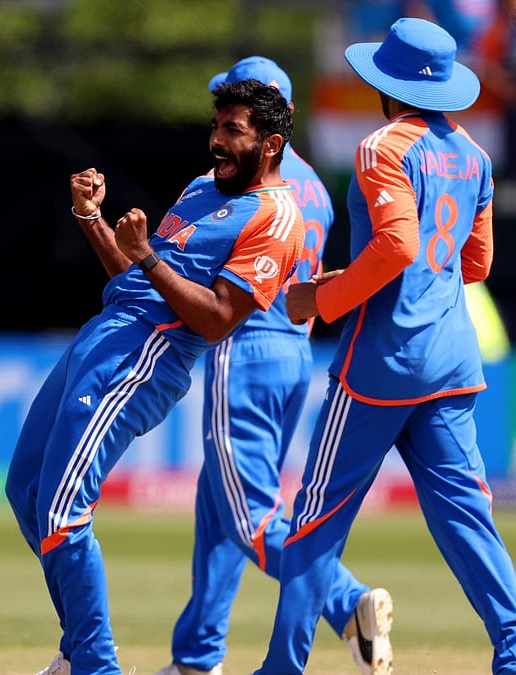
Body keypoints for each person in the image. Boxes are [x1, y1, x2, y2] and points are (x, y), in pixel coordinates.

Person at [260, 18, 516, 675]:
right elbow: (474, 264)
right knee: (467, 518)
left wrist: (324, 299)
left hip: (382, 363)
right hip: (452, 359)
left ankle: (281, 667)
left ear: (386, 85)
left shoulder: (380, 149)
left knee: (315, 522)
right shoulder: (475, 157)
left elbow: (397, 246)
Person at [4, 79, 304, 675]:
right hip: (106, 334)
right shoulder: (200, 188)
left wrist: (146, 256)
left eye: (232, 131)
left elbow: (218, 318)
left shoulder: (277, 220)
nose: (216, 141)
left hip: (146, 358)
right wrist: (92, 219)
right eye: (215, 127)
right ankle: (78, 654)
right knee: (29, 492)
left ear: (269, 144)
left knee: (63, 510)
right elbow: (139, 280)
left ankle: (95, 666)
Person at [143, 58, 383, 675]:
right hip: (293, 356)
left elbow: (204, 274)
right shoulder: (316, 190)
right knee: (219, 501)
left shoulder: (238, 186)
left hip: (242, 349)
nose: (222, 133)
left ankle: (346, 602)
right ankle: (197, 656)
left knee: (248, 513)